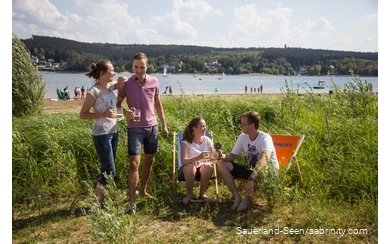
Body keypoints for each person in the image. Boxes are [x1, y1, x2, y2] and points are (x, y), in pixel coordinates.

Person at [116, 52, 169, 214]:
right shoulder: (126, 83)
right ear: (132, 67)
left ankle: (143, 190)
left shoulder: (154, 81)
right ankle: (131, 201)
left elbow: (158, 104)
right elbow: (116, 107)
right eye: (136, 67)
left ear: (147, 67)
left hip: (152, 127)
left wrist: (164, 125)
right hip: (135, 129)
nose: (139, 70)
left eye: (142, 67)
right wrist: (125, 113)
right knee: (134, 164)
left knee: (149, 162)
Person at [79, 60, 124, 207]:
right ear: (102, 73)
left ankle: (99, 202)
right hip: (101, 135)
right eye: (112, 70)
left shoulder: (110, 87)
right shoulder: (94, 91)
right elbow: (83, 114)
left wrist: (122, 80)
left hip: (114, 131)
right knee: (110, 170)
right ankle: (98, 202)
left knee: (106, 168)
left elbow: (126, 82)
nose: (114, 72)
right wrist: (103, 114)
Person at [216, 111, 279, 211]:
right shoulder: (243, 137)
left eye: (243, 124)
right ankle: (237, 197)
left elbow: (264, 160)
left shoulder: (265, 138)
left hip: (267, 172)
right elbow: (232, 156)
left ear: (252, 125)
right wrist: (222, 156)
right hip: (251, 171)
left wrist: (251, 179)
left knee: (262, 171)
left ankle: (246, 199)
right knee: (222, 164)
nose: (240, 126)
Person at [179, 117, 216, 205]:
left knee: (208, 166)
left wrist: (203, 162)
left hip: (202, 168)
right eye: (202, 126)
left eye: (205, 126)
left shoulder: (207, 140)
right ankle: (189, 194)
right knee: (190, 167)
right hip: (188, 169)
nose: (205, 128)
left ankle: (202, 194)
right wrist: (198, 158)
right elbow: (183, 161)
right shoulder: (186, 142)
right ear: (194, 128)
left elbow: (214, 159)